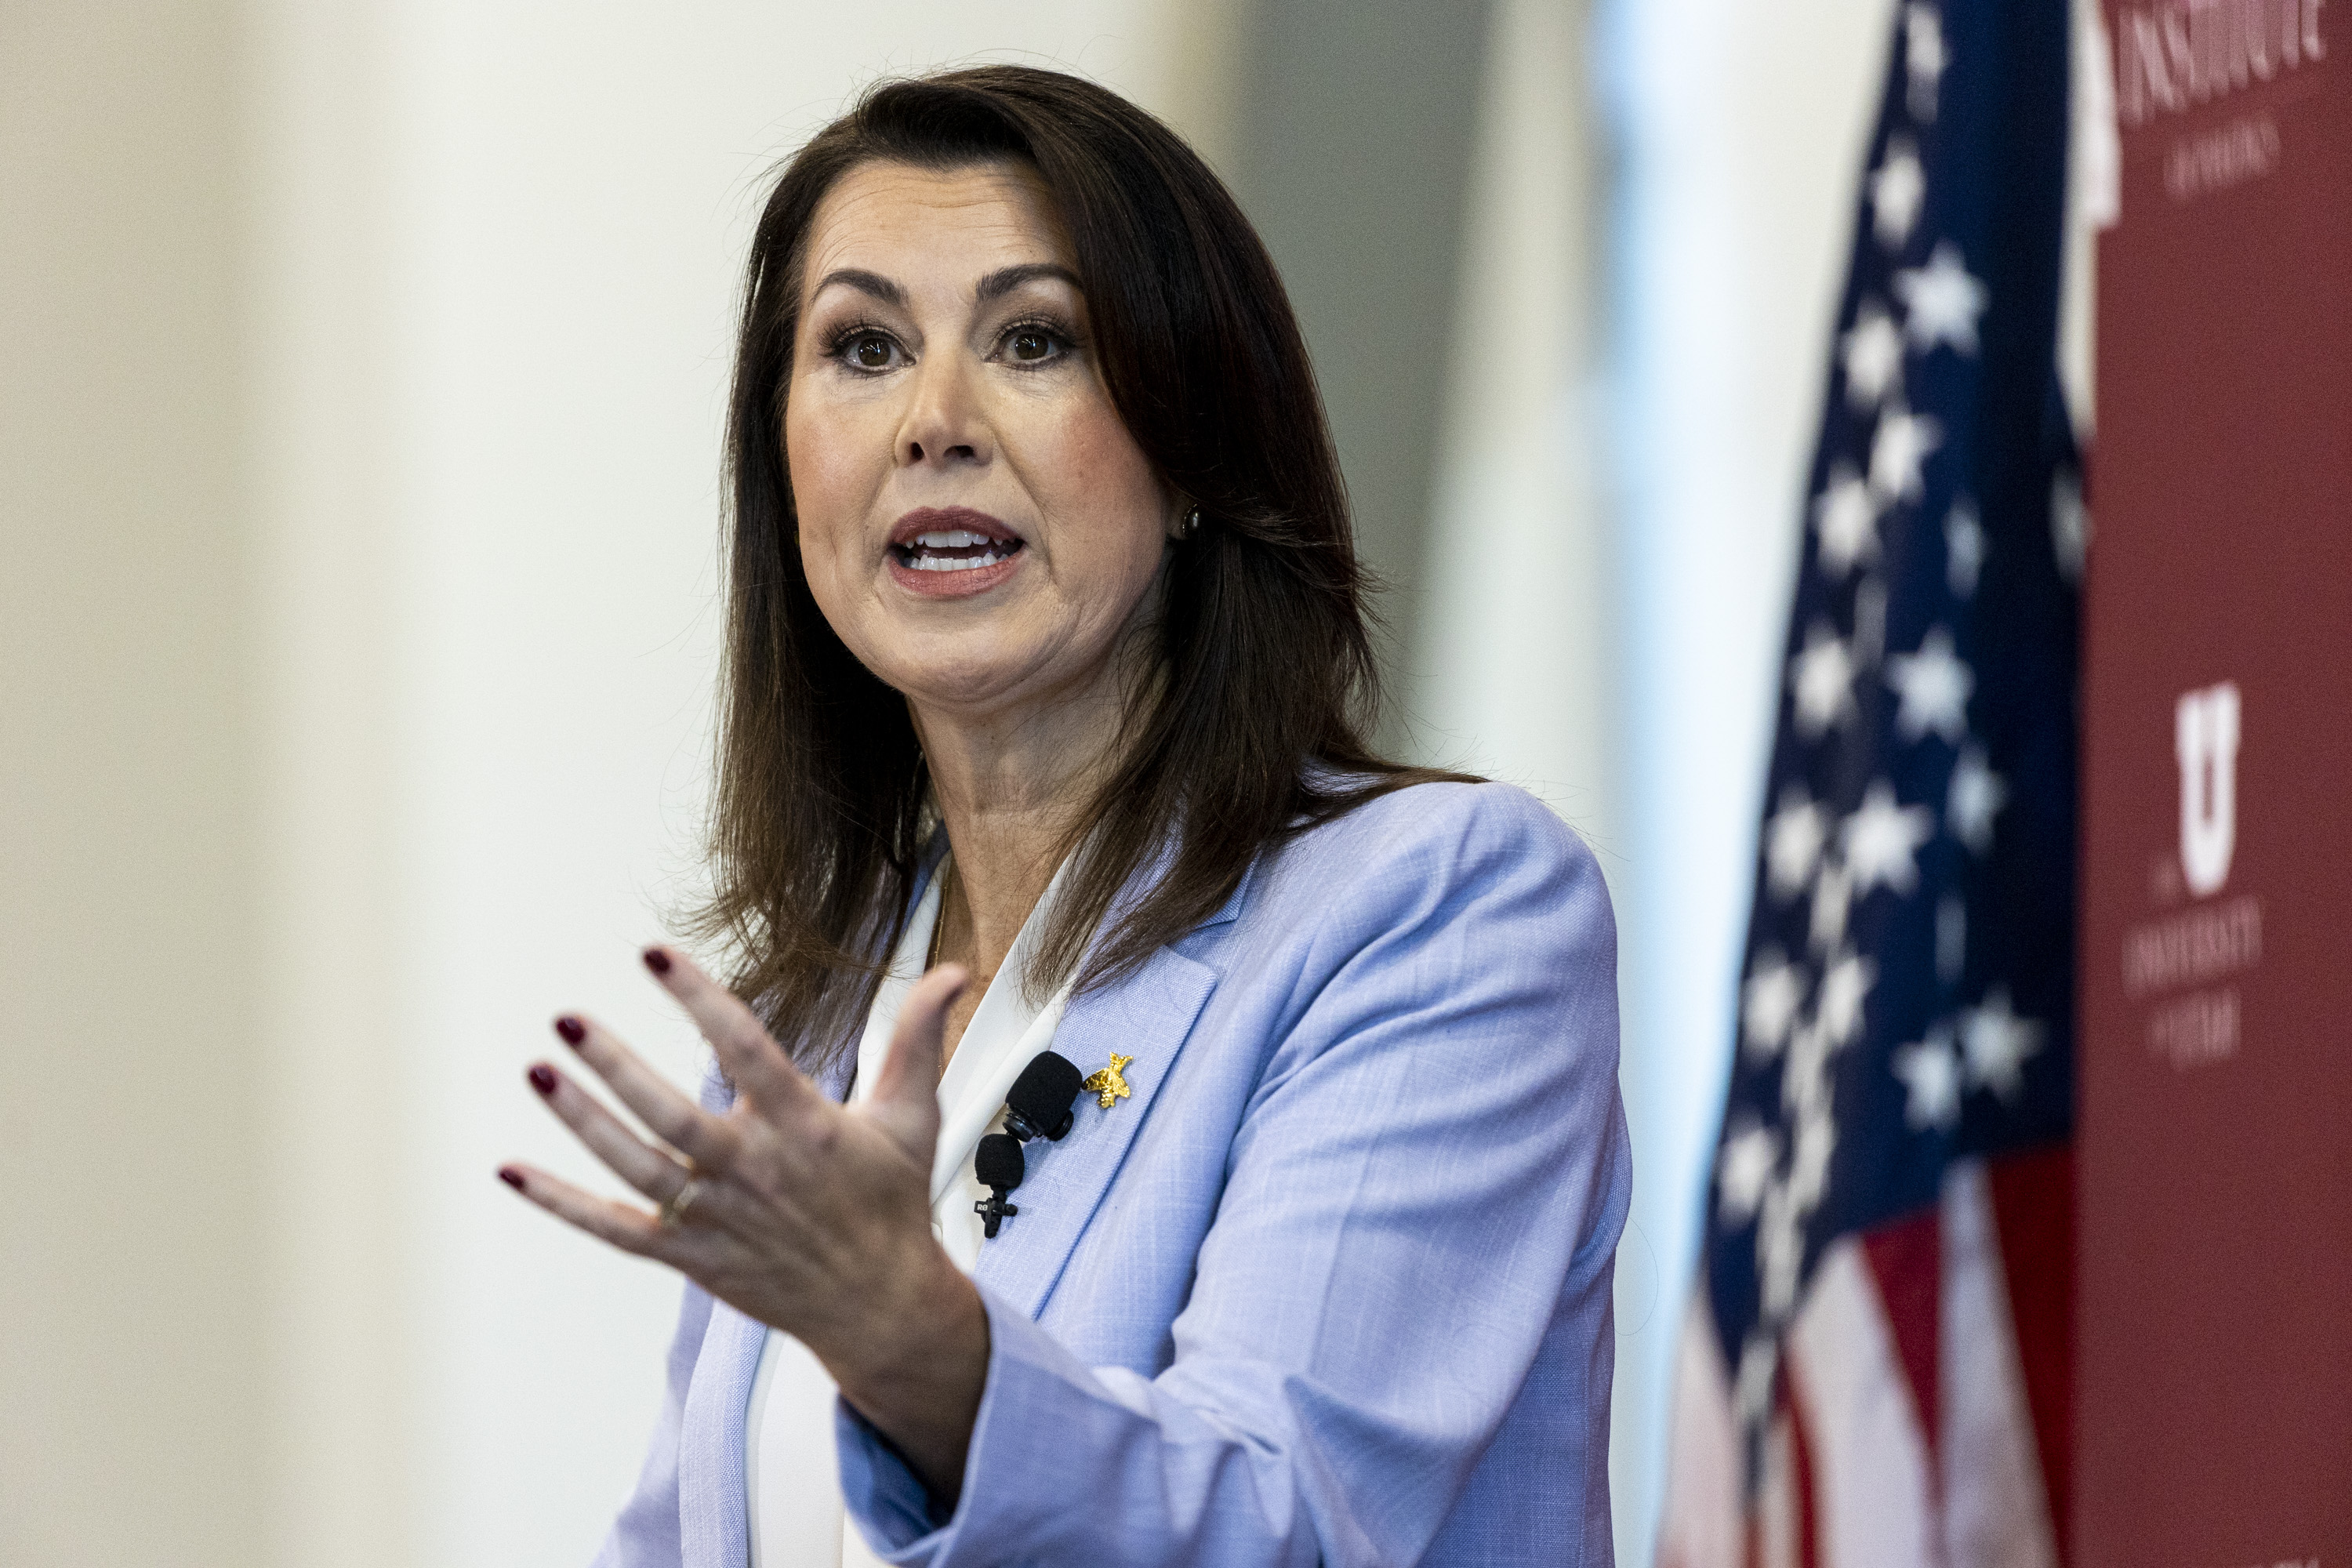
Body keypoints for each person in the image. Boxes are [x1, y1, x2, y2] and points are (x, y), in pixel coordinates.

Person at [499, 64, 1630, 1568]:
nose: (932, 420)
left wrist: (909, 1339)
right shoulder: (813, 1014)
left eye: (1034, 340)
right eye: (862, 347)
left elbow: (1277, 1530)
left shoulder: (1442, 914)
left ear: (1192, 458)